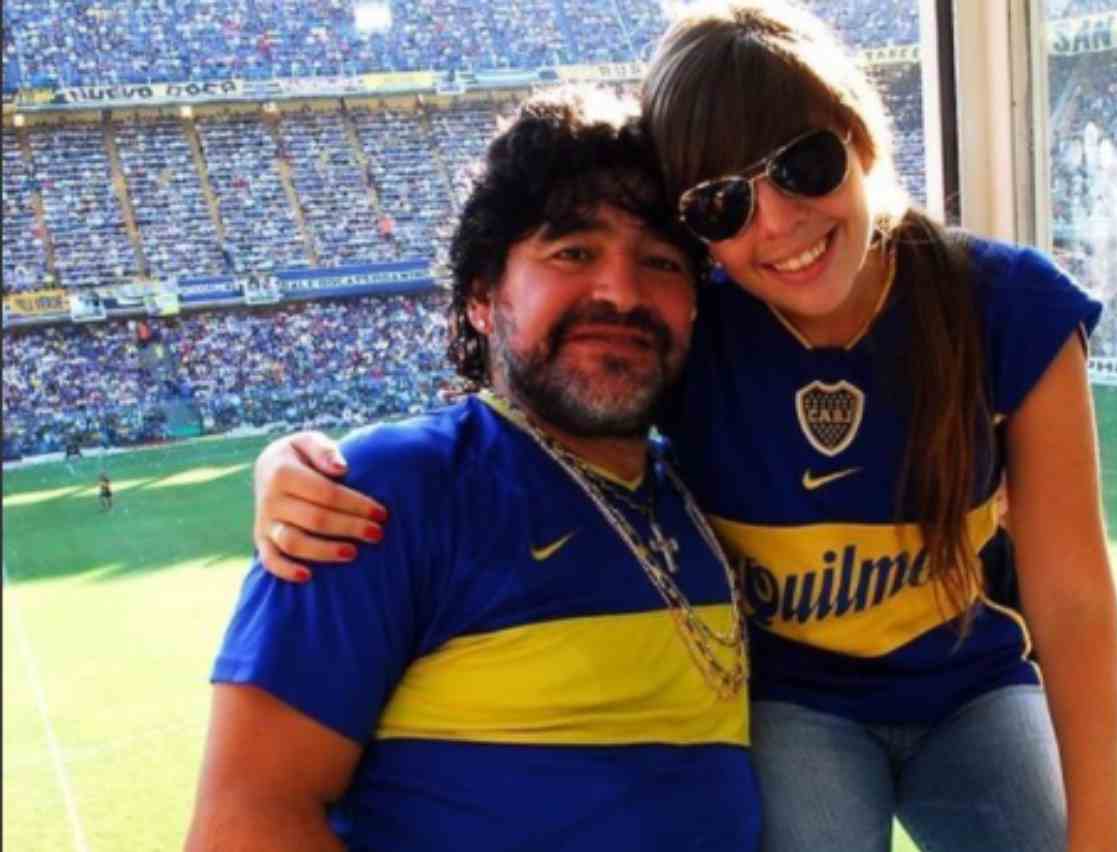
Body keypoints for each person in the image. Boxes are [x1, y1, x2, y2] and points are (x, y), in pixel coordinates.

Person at [249, 3, 1117, 850]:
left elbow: (1074, 598)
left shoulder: (1006, 302)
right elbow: (538, 406)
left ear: (861, 137)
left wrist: (1103, 837)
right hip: (796, 700)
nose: (776, 221)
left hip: (972, 685)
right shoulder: (695, 323)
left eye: (805, 163)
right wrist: (295, 466)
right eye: (720, 205)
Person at [186, 86, 759, 852]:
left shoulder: (708, 497)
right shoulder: (382, 493)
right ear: (483, 297)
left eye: (660, 261)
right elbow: (244, 827)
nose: (622, 293)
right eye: (573, 252)